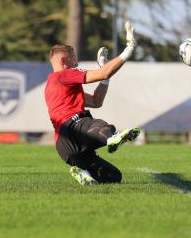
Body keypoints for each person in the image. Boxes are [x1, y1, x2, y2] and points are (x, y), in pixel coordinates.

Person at [44, 21, 141, 185]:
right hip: (74, 128)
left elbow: (96, 101)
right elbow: (103, 74)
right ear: (63, 61)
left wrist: (105, 75)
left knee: (114, 177)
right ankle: (111, 138)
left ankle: (83, 173)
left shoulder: (53, 85)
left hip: (65, 147)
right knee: (102, 125)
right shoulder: (65, 75)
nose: (76, 62)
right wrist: (129, 49)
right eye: (73, 58)